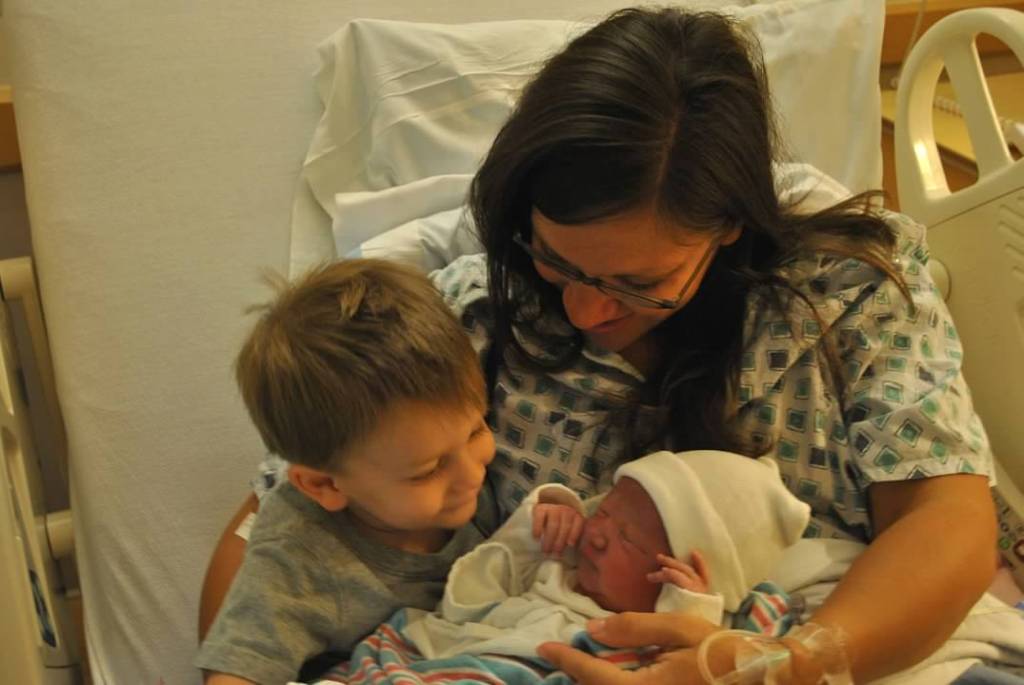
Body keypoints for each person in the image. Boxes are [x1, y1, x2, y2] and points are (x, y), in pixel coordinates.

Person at [201, 7, 1008, 682]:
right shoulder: (467, 323)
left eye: (637, 282)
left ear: (727, 227)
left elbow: (945, 519)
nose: (584, 309)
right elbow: (275, 527)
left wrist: (777, 665)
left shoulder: (851, 295)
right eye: (558, 260)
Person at [196, 259, 498, 685]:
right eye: (428, 471)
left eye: (477, 430)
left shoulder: (458, 479)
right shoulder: (299, 556)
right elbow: (236, 671)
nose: (472, 475)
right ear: (324, 484)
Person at [397, 450, 810, 663]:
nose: (595, 535)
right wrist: (537, 529)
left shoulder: (649, 640)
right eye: (604, 512)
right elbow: (464, 604)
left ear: (679, 578)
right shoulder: (554, 571)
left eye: (627, 539)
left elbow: (686, 659)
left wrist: (692, 611)